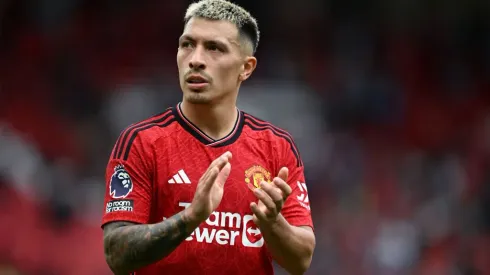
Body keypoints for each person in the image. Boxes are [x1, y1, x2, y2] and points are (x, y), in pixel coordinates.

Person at [101, 0, 315, 274]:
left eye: (214, 48)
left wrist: (273, 223)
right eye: (187, 44)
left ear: (246, 68)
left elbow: (301, 261)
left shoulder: (277, 147)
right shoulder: (142, 142)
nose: (196, 59)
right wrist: (191, 217)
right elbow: (116, 252)